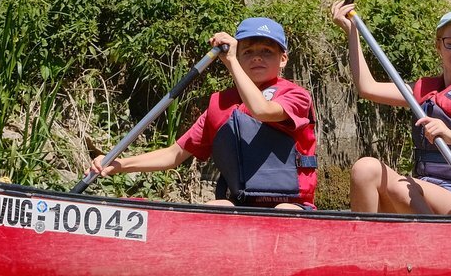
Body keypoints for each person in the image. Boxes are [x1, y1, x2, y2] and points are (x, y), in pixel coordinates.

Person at [88, 17, 317, 210]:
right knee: (218, 207)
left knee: (282, 211)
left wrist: (231, 63)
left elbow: (261, 110)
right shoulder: (220, 105)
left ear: (283, 59)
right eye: (247, 52)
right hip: (242, 205)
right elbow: (174, 154)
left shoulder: (295, 96)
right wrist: (119, 164)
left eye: (267, 51)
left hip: (292, 204)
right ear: (238, 56)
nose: (257, 57)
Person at [330, 0, 451, 215]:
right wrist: (352, 32)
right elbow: (367, 88)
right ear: (438, 46)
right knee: (365, 169)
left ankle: (431, 241)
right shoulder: (423, 89)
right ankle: (368, 244)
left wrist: (450, 135)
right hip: (424, 187)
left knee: (400, 187)